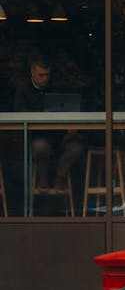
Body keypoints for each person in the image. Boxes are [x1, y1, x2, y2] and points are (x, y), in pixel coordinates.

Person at [11, 55, 87, 192]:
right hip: (37, 137)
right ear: (32, 72)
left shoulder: (57, 88)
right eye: (41, 75)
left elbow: (68, 108)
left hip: (60, 137)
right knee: (41, 146)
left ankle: (60, 178)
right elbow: (20, 115)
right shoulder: (23, 91)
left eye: (47, 75)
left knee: (76, 147)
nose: (45, 79)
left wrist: (71, 127)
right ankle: (43, 179)